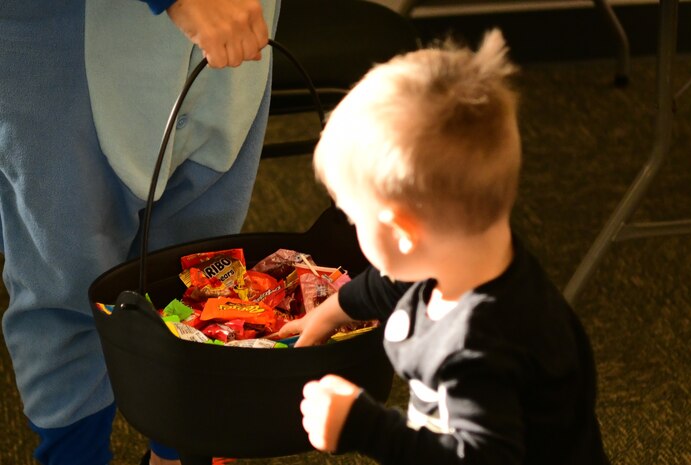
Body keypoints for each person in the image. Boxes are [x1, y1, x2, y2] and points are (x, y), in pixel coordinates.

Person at [278, 30, 610, 464]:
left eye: (355, 219)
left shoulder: (479, 350)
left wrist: (366, 426)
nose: (353, 226)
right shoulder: (469, 257)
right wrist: (330, 311)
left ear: (403, 231)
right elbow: (395, 281)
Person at [0, 0, 278, 464]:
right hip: (66, 37)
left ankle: (178, 452)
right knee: (68, 289)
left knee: (199, 281)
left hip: (233, 33)